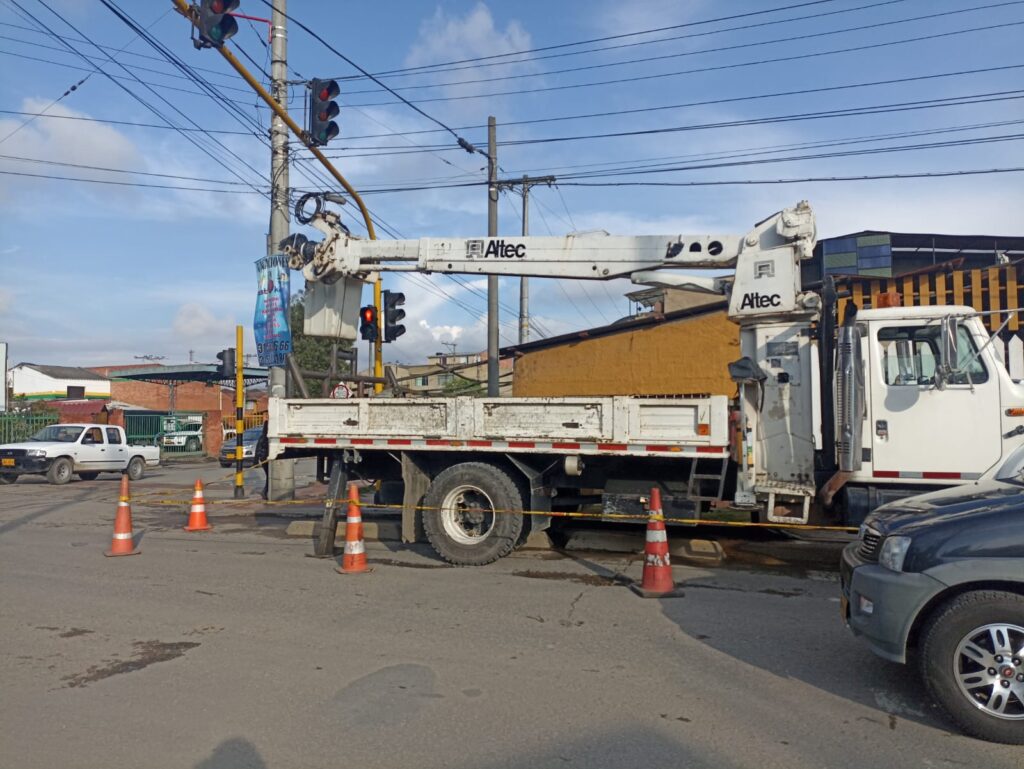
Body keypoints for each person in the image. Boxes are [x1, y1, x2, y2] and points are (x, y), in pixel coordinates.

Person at [255, 417, 270, 500]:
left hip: (263, 459)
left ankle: (265, 492)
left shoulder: (262, 438)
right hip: (266, 459)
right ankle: (265, 492)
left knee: (269, 476)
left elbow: (257, 450)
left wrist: (255, 461)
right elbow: (259, 449)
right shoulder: (267, 439)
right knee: (269, 476)